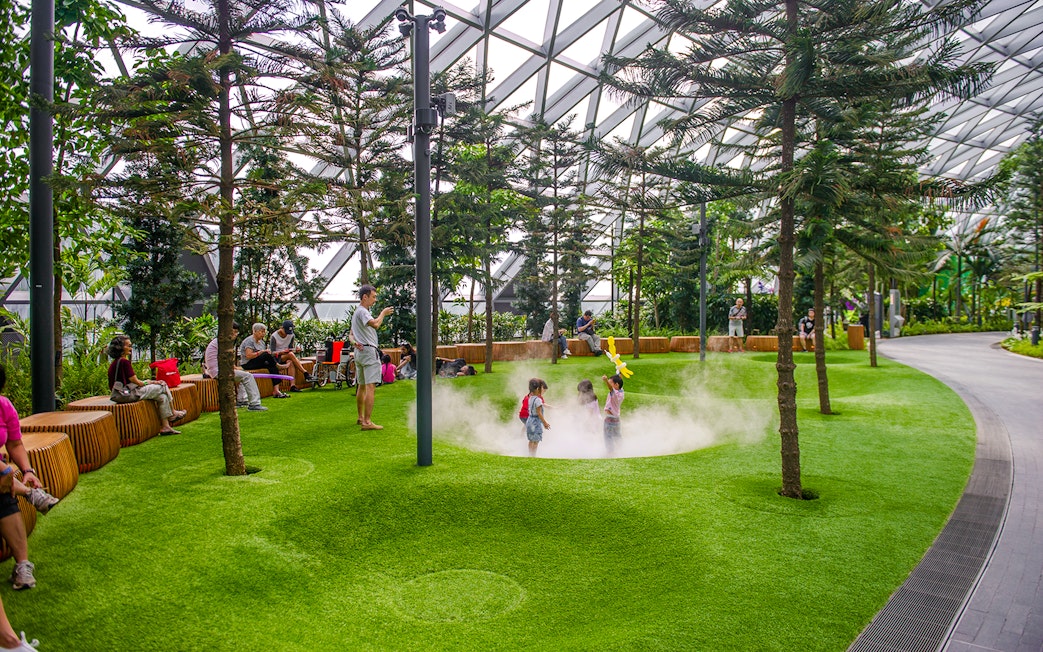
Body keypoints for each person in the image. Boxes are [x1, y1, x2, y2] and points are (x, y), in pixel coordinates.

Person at [0, 364, 61, 593]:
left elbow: (15, 444)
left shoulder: (4, 406)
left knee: (4, 493)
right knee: (3, 477)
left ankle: (22, 566)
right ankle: (31, 494)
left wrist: (28, 471)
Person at [107, 335, 187, 434]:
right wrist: (149, 382)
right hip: (129, 394)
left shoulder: (115, 363)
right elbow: (136, 382)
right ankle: (173, 412)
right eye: (128, 346)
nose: (131, 348)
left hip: (122, 393)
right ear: (120, 347)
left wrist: (149, 382)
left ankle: (166, 427)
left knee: (162, 397)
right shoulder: (124, 362)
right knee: (163, 385)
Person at [351, 284, 394, 430]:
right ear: (365, 297)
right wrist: (383, 313)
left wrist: (354, 342)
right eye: (373, 297)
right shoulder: (363, 312)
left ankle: (360, 418)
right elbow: (375, 324)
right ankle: (367, 422)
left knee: (361, 386)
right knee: (370, 386)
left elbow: (352, 334)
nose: (375, 300)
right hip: (368, 352)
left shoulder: (357, 312)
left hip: (360, 353)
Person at [203, 322, 267, 411]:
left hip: (216, 370)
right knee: (248, 376)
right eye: (234, 332)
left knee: (243, 375)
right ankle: (254, 404)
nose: (236, 334)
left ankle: (242, 400)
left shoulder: (219, 341)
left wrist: (234, 367)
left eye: (237, 332)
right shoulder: (222, 342)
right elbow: (224, 360)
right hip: (218, 371)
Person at [239, 324, 291, 398]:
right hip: (248, 363)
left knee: (272, 366)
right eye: (261, 332)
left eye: (264, 332)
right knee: (266, 354)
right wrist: (261, 352)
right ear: (255, 331)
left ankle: (276, 390)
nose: (263, 334)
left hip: (257, 362)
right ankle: (278, 365)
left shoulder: (261, 342)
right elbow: (248, 355)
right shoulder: (249, 341)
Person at [269, 320, 315, 391]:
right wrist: (282, 352)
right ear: (282, 328)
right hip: (277, 357)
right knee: (290, 355)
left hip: (287, 355)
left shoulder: (291, 335)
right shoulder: (274, 336)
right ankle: (305, 373)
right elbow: (272, 353)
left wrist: (295, 350)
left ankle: (292, 385)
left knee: (290, 361)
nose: (287, 334)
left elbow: (290, 348)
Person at [524, 378, 551, 456]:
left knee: (531, 440)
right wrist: (545, 423)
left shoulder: (530, 398)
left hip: (529, 420)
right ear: (537, 389)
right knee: (536, 441)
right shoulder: (538, 400)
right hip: (535, 422)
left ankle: (530, 455)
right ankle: (533, 455)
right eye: (541, 388)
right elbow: (539, 413)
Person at [602, 373, 625, 456]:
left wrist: (605, 380)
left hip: (609, 419)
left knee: (608, 436)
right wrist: (620, 374)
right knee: (617, 435)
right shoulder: (621, 392)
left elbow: (611, 388)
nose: (609, 383)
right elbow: (618, 383)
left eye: (611, 382)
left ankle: (610, 452)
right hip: (616, 419)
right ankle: (621, 450)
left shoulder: (615, 394)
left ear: (616, 384)